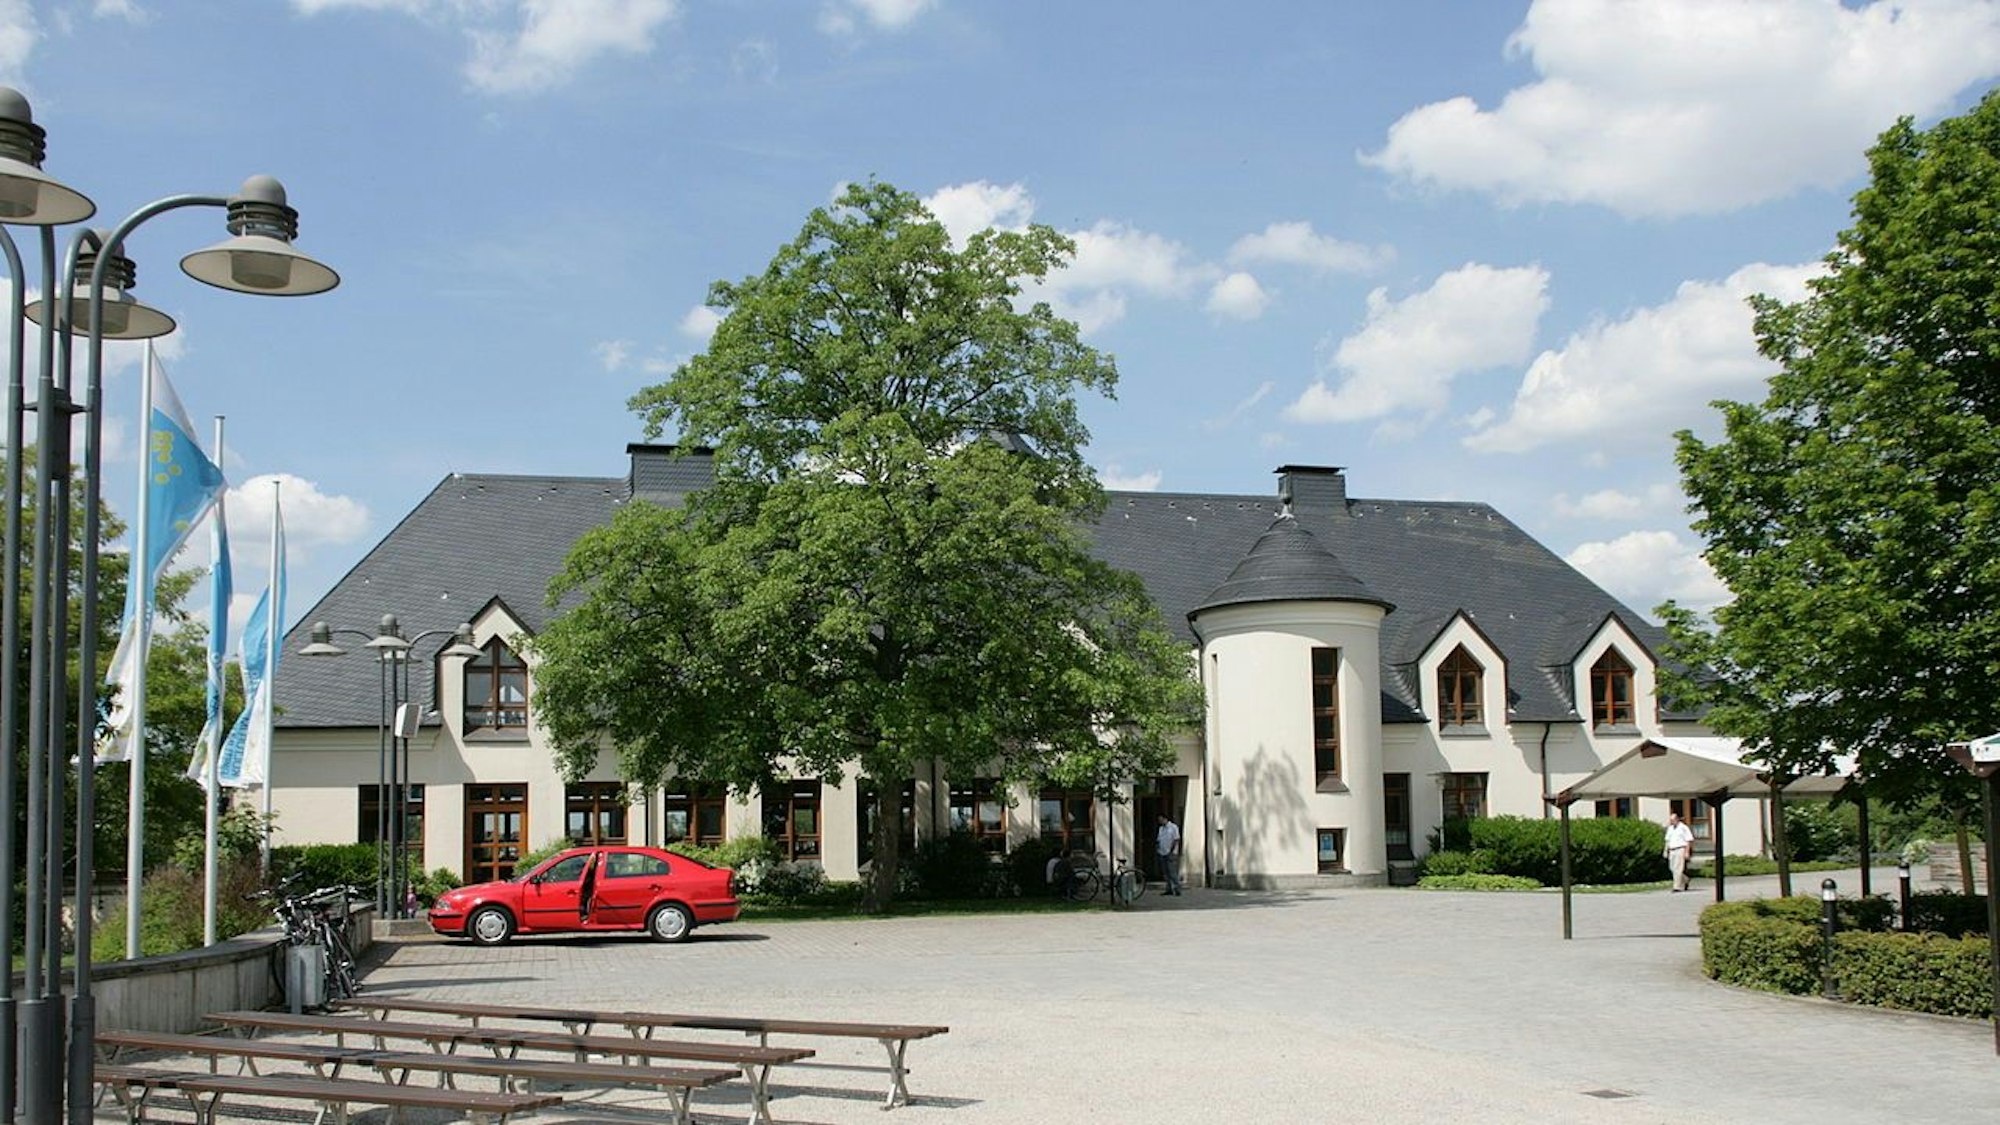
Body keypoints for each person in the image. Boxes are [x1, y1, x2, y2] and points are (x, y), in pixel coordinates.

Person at [1663, 811, 1695, 892]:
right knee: (1672, 868)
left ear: (1677, 819)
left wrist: (1687, 852)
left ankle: (1676, 887)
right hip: (1672, 850)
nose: (1671, 821)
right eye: (1670, 820)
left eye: (1673, 820)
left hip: (1680, 849)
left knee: (1678, 869)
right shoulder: (1670, 828)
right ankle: (1686, 879)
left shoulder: (1683, 828)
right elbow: (1667, 840)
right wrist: (1665, 850)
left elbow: (1688, 840)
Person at [1156, 813, 1184, 896]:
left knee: (1172, 872)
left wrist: (1171, 851)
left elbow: (1176, 839)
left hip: (1171, 853)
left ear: (1165, 819)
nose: (1160, 821)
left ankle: (1177, 888)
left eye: (1161, 819)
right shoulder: (1161, 829)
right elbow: (1159, 839)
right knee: (1166, 872)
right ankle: (1169, 889)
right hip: (1162, 852)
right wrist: (1158, 848)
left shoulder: (1173, 827)